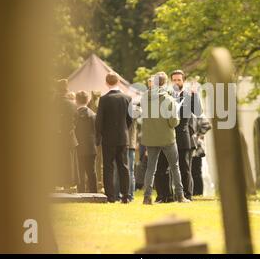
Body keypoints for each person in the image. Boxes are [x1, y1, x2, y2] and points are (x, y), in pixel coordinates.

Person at [141, 72, 190, 205]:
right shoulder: (169, 100)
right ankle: (180, 196)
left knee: (151, 168)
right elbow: (173, 122)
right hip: (167, 138)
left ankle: (147, 197)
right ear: (165, 83)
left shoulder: (144, 98)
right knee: (175, 167)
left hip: (151, 138)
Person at [95, 73, 132, 203]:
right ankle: (126, 196)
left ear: (106, 83)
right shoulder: (127, 98)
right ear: (118, 82)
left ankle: (110, 197)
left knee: (108, 167)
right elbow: (130, 119)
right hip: (123, 137)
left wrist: (99, 136)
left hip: (108, 138)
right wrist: (124, 130)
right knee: (124, 167)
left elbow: (99, 120)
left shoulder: (103, 99)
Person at [170, 70, 202, 200]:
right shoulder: (168, 95)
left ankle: (187, 195)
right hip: (169, 137)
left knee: (185, 168)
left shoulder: (190, 95)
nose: (176, 82)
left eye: (179, 80)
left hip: (184, 136)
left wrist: (195, 96)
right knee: (171, 169)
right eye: (174, 80)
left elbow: (198, 112)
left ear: (183, 80)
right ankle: (174, 194)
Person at [54, 79, 79, 191]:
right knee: (69, 163)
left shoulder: (50, 103)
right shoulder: (72, 105)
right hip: (69, 137)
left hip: (54, 138)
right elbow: (76, 122)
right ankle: (68, 185)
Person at [74, 91, 98, 193]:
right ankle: (94, 192)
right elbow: (97, 131)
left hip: (77, 146)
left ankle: (81, 192)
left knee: (80, 171)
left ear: (76, 100)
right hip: (91, 147)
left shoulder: (74, 115)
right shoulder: (93, 115)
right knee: (91, 172)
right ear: (88, 100)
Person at [190, 114, 212, 196]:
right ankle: (191, 192)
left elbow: (207, 125)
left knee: (196, 172)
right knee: (190, 172)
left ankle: (198, 193)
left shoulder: (198, 114)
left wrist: (198, 134)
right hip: (189, 147)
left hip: (197, 148)